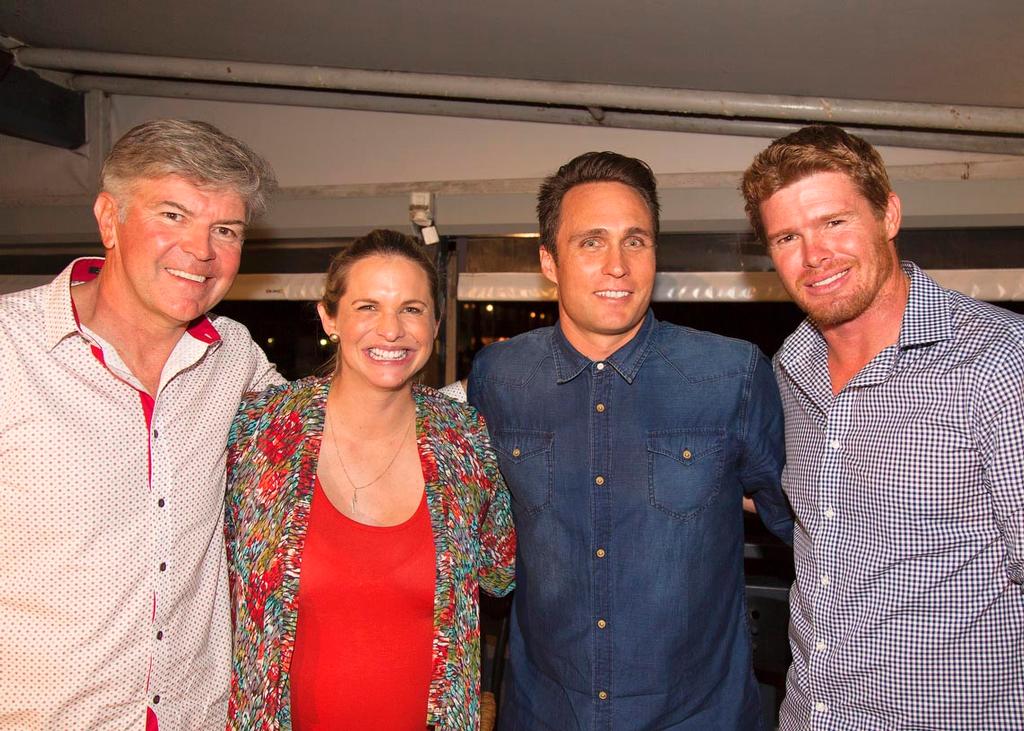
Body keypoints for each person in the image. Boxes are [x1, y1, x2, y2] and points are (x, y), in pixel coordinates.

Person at [468, 151, 793, 730]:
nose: (617, 264)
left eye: (635, 241)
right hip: (545, 713)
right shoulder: (499, 377)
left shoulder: (733, 374)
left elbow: (804, 524)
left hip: (697, 716)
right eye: (591, 241)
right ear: (549, 260)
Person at [741, 124, 1024, 729]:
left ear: (888, 215)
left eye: (834, 223)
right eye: (788, 236)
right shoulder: (790, 370)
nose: (813, 255)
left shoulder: (998, 361)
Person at [0, 119, 280, 729]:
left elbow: (343, 430)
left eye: (225, 229)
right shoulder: (7, 347)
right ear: (108, 219)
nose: (202, 252)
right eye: (173, 216)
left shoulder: (236, 358)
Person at [225, 229, 515, 730]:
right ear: (328, 318)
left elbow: (501, 571)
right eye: (366, 307)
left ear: (435, 322)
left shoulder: (467, 442)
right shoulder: (259, 434)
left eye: (411, 309)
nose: (391, 330)